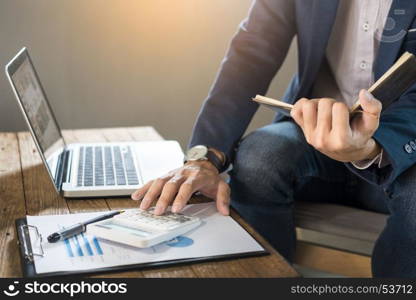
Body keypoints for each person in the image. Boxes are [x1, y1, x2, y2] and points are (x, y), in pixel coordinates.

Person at [132, 0, 416, 277]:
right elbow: (253, 50)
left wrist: (371, 148)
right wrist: (205, 159)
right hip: (311, 135)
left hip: (403, 146)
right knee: (258, 158)